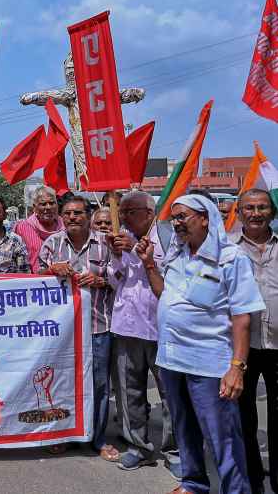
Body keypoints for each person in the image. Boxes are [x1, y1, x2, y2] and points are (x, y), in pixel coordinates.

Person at [138, 194, 264, 494]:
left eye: (184, 216)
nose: (177, 223)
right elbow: (164, 294)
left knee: (223, 438)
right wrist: (149, 266)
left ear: (205, 218)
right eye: (175, 218)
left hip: (209, 363)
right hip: (172, 359)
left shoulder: (231, 258)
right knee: (185, 429)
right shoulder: (177, 255)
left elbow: (242, 318)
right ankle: (194, 483)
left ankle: (236, 489)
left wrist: (237, 368)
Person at [38, 195, 116, 462]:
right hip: (63, 332)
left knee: (100, 385)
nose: (72, 217)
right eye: (68, 213)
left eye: (78, 213)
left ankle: (98, 438)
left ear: (89, 215)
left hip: (98, 327)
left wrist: (101, 280)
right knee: (61, 384)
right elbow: (32, 279)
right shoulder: (52, 244)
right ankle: (64, 435)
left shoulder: (106, 244)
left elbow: (122, 279)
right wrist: (50, 270)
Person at [106, 191, 179, 474]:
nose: (123, 217)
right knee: (130, 391)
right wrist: (116, 255)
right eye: (122, 212)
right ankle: (139, 446)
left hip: (163, 327)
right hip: (127, 326)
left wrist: (136, 248)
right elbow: (115, 280)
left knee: (170, 394)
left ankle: (175, 450)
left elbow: (172, 274)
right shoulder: (120, 238)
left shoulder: (169, 236)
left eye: (130, 211)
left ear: (149, 212)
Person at [234, 188, 278, 494]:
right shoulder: (228, 252)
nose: (256, 213)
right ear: (238, 213)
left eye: (262, 207)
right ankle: (251, 480)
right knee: (244, 417)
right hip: (242, 349)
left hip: (277, 346)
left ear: (272, 213)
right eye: (249, 208)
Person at [15, 186, 64, 272]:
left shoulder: (65, 226)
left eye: (52, 203)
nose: (48, 207)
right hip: (34, 281)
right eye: (43, 204)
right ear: (34, 207)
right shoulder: (23, 227)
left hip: (63, 281)